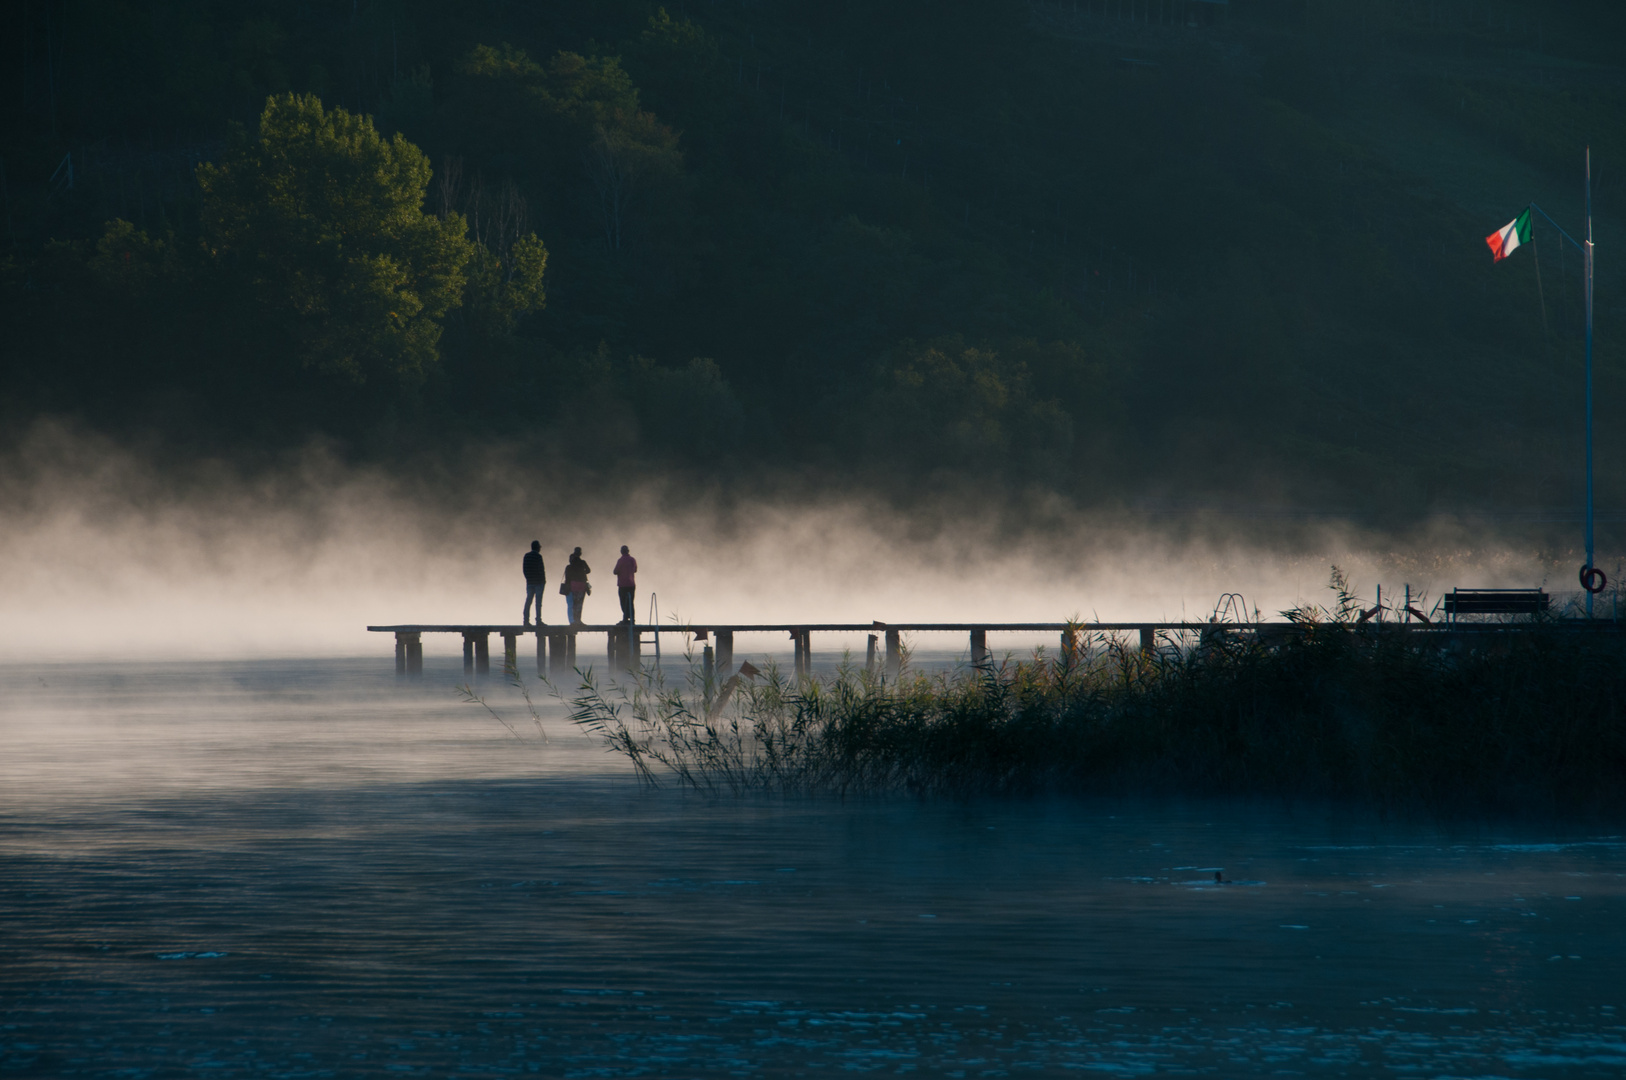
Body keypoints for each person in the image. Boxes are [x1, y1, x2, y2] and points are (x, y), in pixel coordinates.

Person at [522, 541, 547, 626]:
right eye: (539, 547)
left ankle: (525, 621)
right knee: (538, 602)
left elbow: (524, 569)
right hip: (538, 582)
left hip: (530, 582)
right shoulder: (538, 556)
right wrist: (543, 581)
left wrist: (528, 579)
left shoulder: (526, 556)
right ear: (537, 547)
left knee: (528, 601)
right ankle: (538, 621)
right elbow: (541, 570)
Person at [564, 547, 591, 624]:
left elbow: (568, 578)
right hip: (581, 586)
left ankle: (573, 621)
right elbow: (589, 570)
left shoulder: (570, 566)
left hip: (573, 586)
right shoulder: (582, 562)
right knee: (579, 604)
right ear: (580, 553)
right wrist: (582, 572)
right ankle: (578, 620)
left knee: (573, 604)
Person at [614, 545, 638, 624]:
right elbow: (635, 570)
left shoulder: (620, 560)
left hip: (623, 585)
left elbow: (615, 571)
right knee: (631, 602)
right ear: (628, 551)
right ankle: (632, 619)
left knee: (623, 602)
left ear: (621, 551)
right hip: (631, 584)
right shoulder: (632, 560)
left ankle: (625, 619)